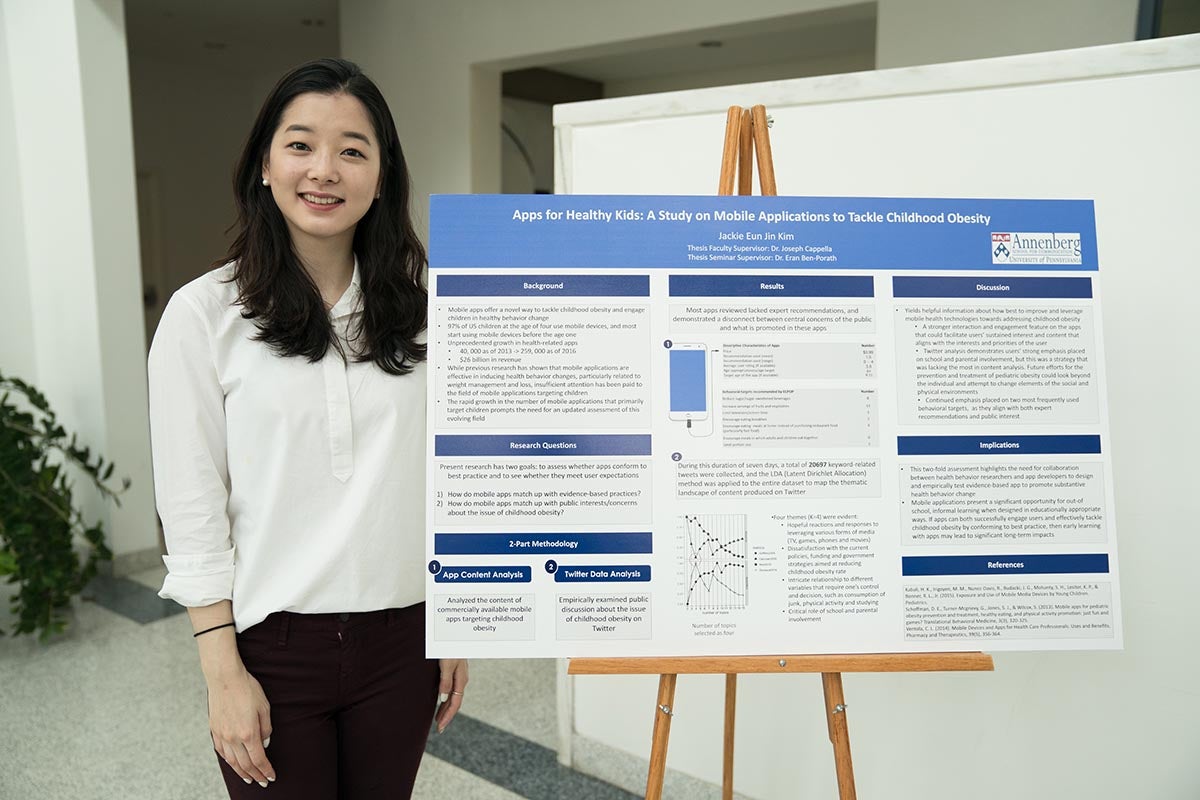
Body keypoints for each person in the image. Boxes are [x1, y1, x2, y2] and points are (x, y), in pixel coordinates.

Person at [147, 58, 465, 799]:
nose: (324, 170)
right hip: (269, 649)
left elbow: (454, 481)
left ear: (382, 177)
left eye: (353, 149)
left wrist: (461, 622)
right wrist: (221, 672)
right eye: (300, 144)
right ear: (264, 163)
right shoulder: (204, 317)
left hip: (405, 641)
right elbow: (194, 511)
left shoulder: (431, 311)